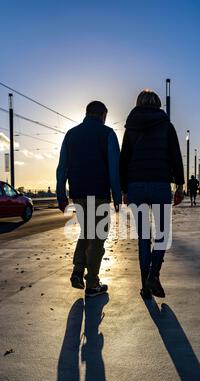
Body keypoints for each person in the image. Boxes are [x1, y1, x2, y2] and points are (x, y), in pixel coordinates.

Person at [120, 89, 185, 299]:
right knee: (162, 235)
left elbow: (124, 160)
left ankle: (145, 286)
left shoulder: (130, 127)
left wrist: (124, 189)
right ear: (158, 104)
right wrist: (180, 185)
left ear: (138, 103)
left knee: (143, 237)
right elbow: (175, 155)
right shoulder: (166, 125)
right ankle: (153, 276)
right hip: (159, 184)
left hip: (136, 185)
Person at [56, 101, 122, 297]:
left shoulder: (71, 134)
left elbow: (62, 168)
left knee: (87, 232)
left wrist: (61, 195)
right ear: (102, 114)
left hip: (78, 194)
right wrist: (117, 195)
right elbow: (114, 169)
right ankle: (92, 284)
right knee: (97, 239)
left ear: (87, 113)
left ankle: (77, 270)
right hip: (99, 194)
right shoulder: (108, 133)